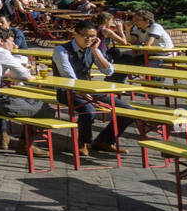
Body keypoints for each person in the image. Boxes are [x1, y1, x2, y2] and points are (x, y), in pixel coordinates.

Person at [52, 20, 134, 157]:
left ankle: (104, 141)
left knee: (129, 112)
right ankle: (82, 144)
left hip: (89, 91)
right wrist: (82, 93)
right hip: (67, 91)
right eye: (85, 36)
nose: (89, 39)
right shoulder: (61, 50)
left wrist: (95, 51)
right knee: (89, 111)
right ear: (75, 34)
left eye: (92, 36)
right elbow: (69, 76)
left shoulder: (93, 49)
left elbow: (108, 72)